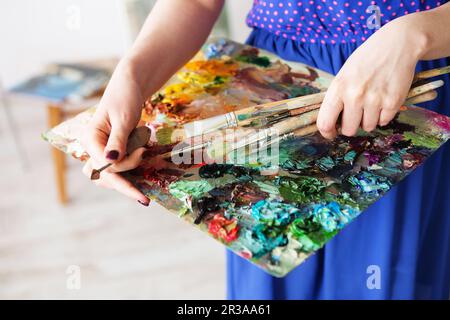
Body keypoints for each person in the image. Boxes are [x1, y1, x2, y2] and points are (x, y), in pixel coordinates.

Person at [81, 0, 450, 299]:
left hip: (405, 80)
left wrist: (413, 33)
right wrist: (131, 75)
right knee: (273, 265)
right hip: (275, 81)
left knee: (381, 276)